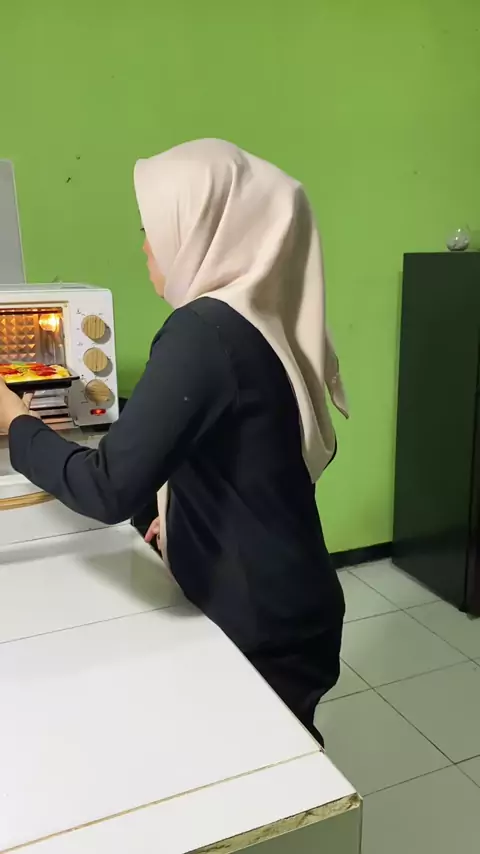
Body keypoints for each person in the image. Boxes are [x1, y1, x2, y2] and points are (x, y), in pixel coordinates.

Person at [0, 139, 347, 744]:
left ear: (201, 229)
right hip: (290, 596)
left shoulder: (201, 331)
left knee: (273, 762)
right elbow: (235, 448)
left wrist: (15, 423)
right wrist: (179, 511)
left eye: (152, 229)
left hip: (263, 621)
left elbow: (107, 489)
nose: (145, 246)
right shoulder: (251, 316)